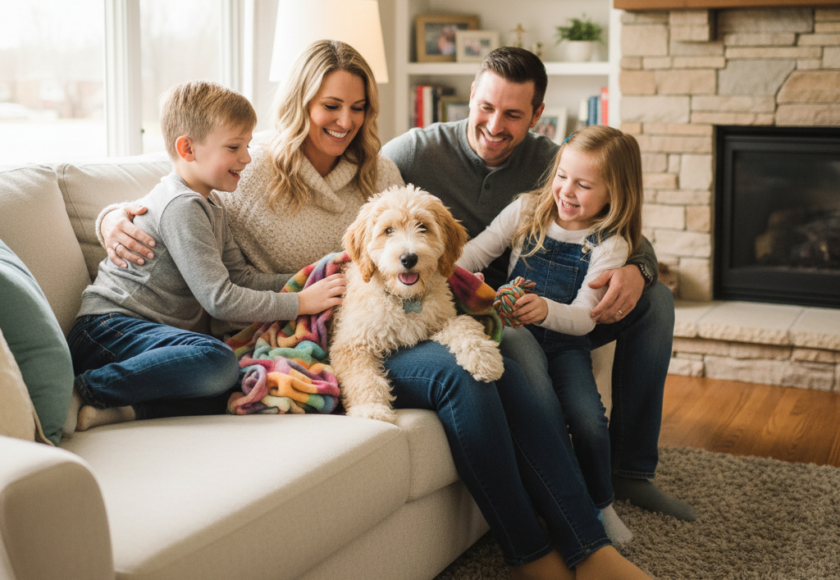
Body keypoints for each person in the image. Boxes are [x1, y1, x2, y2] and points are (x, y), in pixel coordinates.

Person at [96, 40, 651, 579]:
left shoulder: (381, 169)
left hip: (405, 312)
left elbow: (598, 202)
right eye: (330, 106)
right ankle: (530, 551)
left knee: (501, 350)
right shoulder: (251, 166)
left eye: (358, 108)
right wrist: (113, 216)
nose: (345, 121)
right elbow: (179, 192)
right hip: (310, 335)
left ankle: (586, 543)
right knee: (463, 376)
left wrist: (637, 265)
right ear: (301, 104)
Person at [382, 46, 696, 522]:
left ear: (537, 115)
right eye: (486, 107)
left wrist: (639, 269)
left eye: (512, 114)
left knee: (657, 302)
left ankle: (631, 470)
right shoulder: (412, 152)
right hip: (470, 304)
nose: (494, 125)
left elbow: (625, 231)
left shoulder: (558, 165)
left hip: (562, 306)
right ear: (471, 96)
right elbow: (373, 224)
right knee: (524, 347)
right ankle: (563, 483)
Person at [65, 80, 346, 434]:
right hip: (107, 331)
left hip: (150, 341)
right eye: (234, 147)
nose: (246, 157)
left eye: (247, 145)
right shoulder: (181, 206)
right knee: (218, 361)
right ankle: (82, 390)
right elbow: (220, 300)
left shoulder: (210, 206)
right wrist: (300, 303)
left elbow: (241, 279)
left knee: (240, 384)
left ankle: (125, 410)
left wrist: (312, 277)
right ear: (187, 148)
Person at [458, 125, 645, 543]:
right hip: (511, 338)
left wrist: (544, 309)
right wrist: (449, 268)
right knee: (541, 415)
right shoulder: (526, 210)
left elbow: (585, 318)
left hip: (565, 344)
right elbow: (476, 250)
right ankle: (552, 499)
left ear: (613, 194)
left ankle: (601, 503)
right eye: (562, 176)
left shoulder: (608, 244)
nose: (566, 190)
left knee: (589, 421)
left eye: (583, 184)